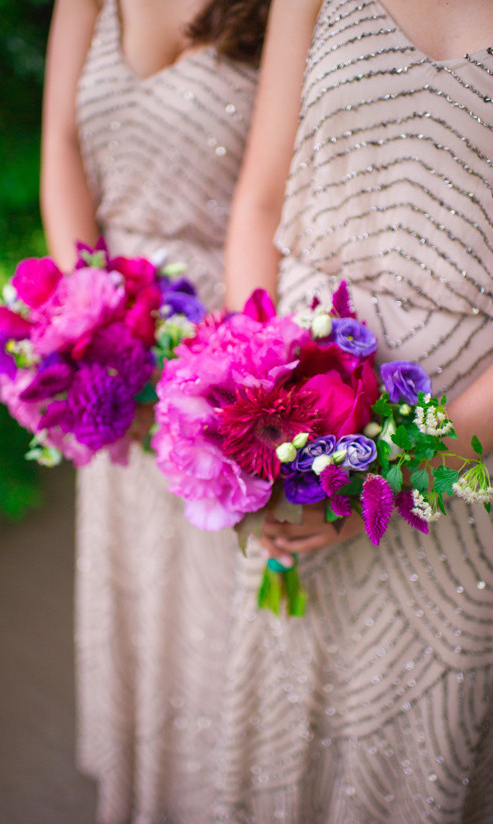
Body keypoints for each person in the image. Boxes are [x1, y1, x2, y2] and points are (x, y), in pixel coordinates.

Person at [216, 0, 493, 821]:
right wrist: (261, 407)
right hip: (292, 403)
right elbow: (259, 202)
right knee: (285, 699)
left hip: (464, 463)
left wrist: (397, 473)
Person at [40, 1, 270, 822]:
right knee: (134, 588)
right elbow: (62, 145)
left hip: (221, 338)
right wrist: (94, 321)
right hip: (109, 338)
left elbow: (275, 194)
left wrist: (226, 368)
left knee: (219, 606)